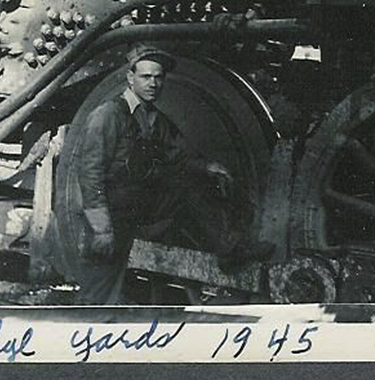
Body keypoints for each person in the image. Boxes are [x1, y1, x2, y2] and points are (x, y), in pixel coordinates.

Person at [74, 43, 274, 304]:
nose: (153, 84)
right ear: (130, 78)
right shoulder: (108, 115)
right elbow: (90, 173)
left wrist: (207, 167)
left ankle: (228, 249)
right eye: (146, 77)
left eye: (158, 78)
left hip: (140, 205)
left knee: (191, 186)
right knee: (98, 290)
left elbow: (177, 155)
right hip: (111, 211)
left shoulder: (153, 119)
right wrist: (101, 229)